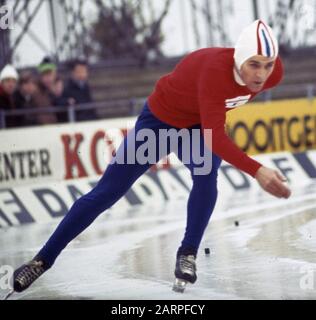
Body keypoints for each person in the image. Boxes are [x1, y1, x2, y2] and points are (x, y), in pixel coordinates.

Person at [12, 20, 291, 295]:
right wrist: (257, 170)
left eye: (267, 65)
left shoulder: (273, 72)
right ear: (239, 58)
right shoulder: (215, 72)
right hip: (159, 122)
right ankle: (42, 260)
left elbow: (211, 130)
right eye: (254, 64)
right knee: (107, 193)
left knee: (206, 176)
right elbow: (216, 137)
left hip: (196, 126)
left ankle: (188, 253)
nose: (261, 74)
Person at [32, 57, 58, 125]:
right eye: (45, 75)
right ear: (40, 77)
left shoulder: (58, 90)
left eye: (50, 74)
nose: (48, 78)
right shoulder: (36, 93)